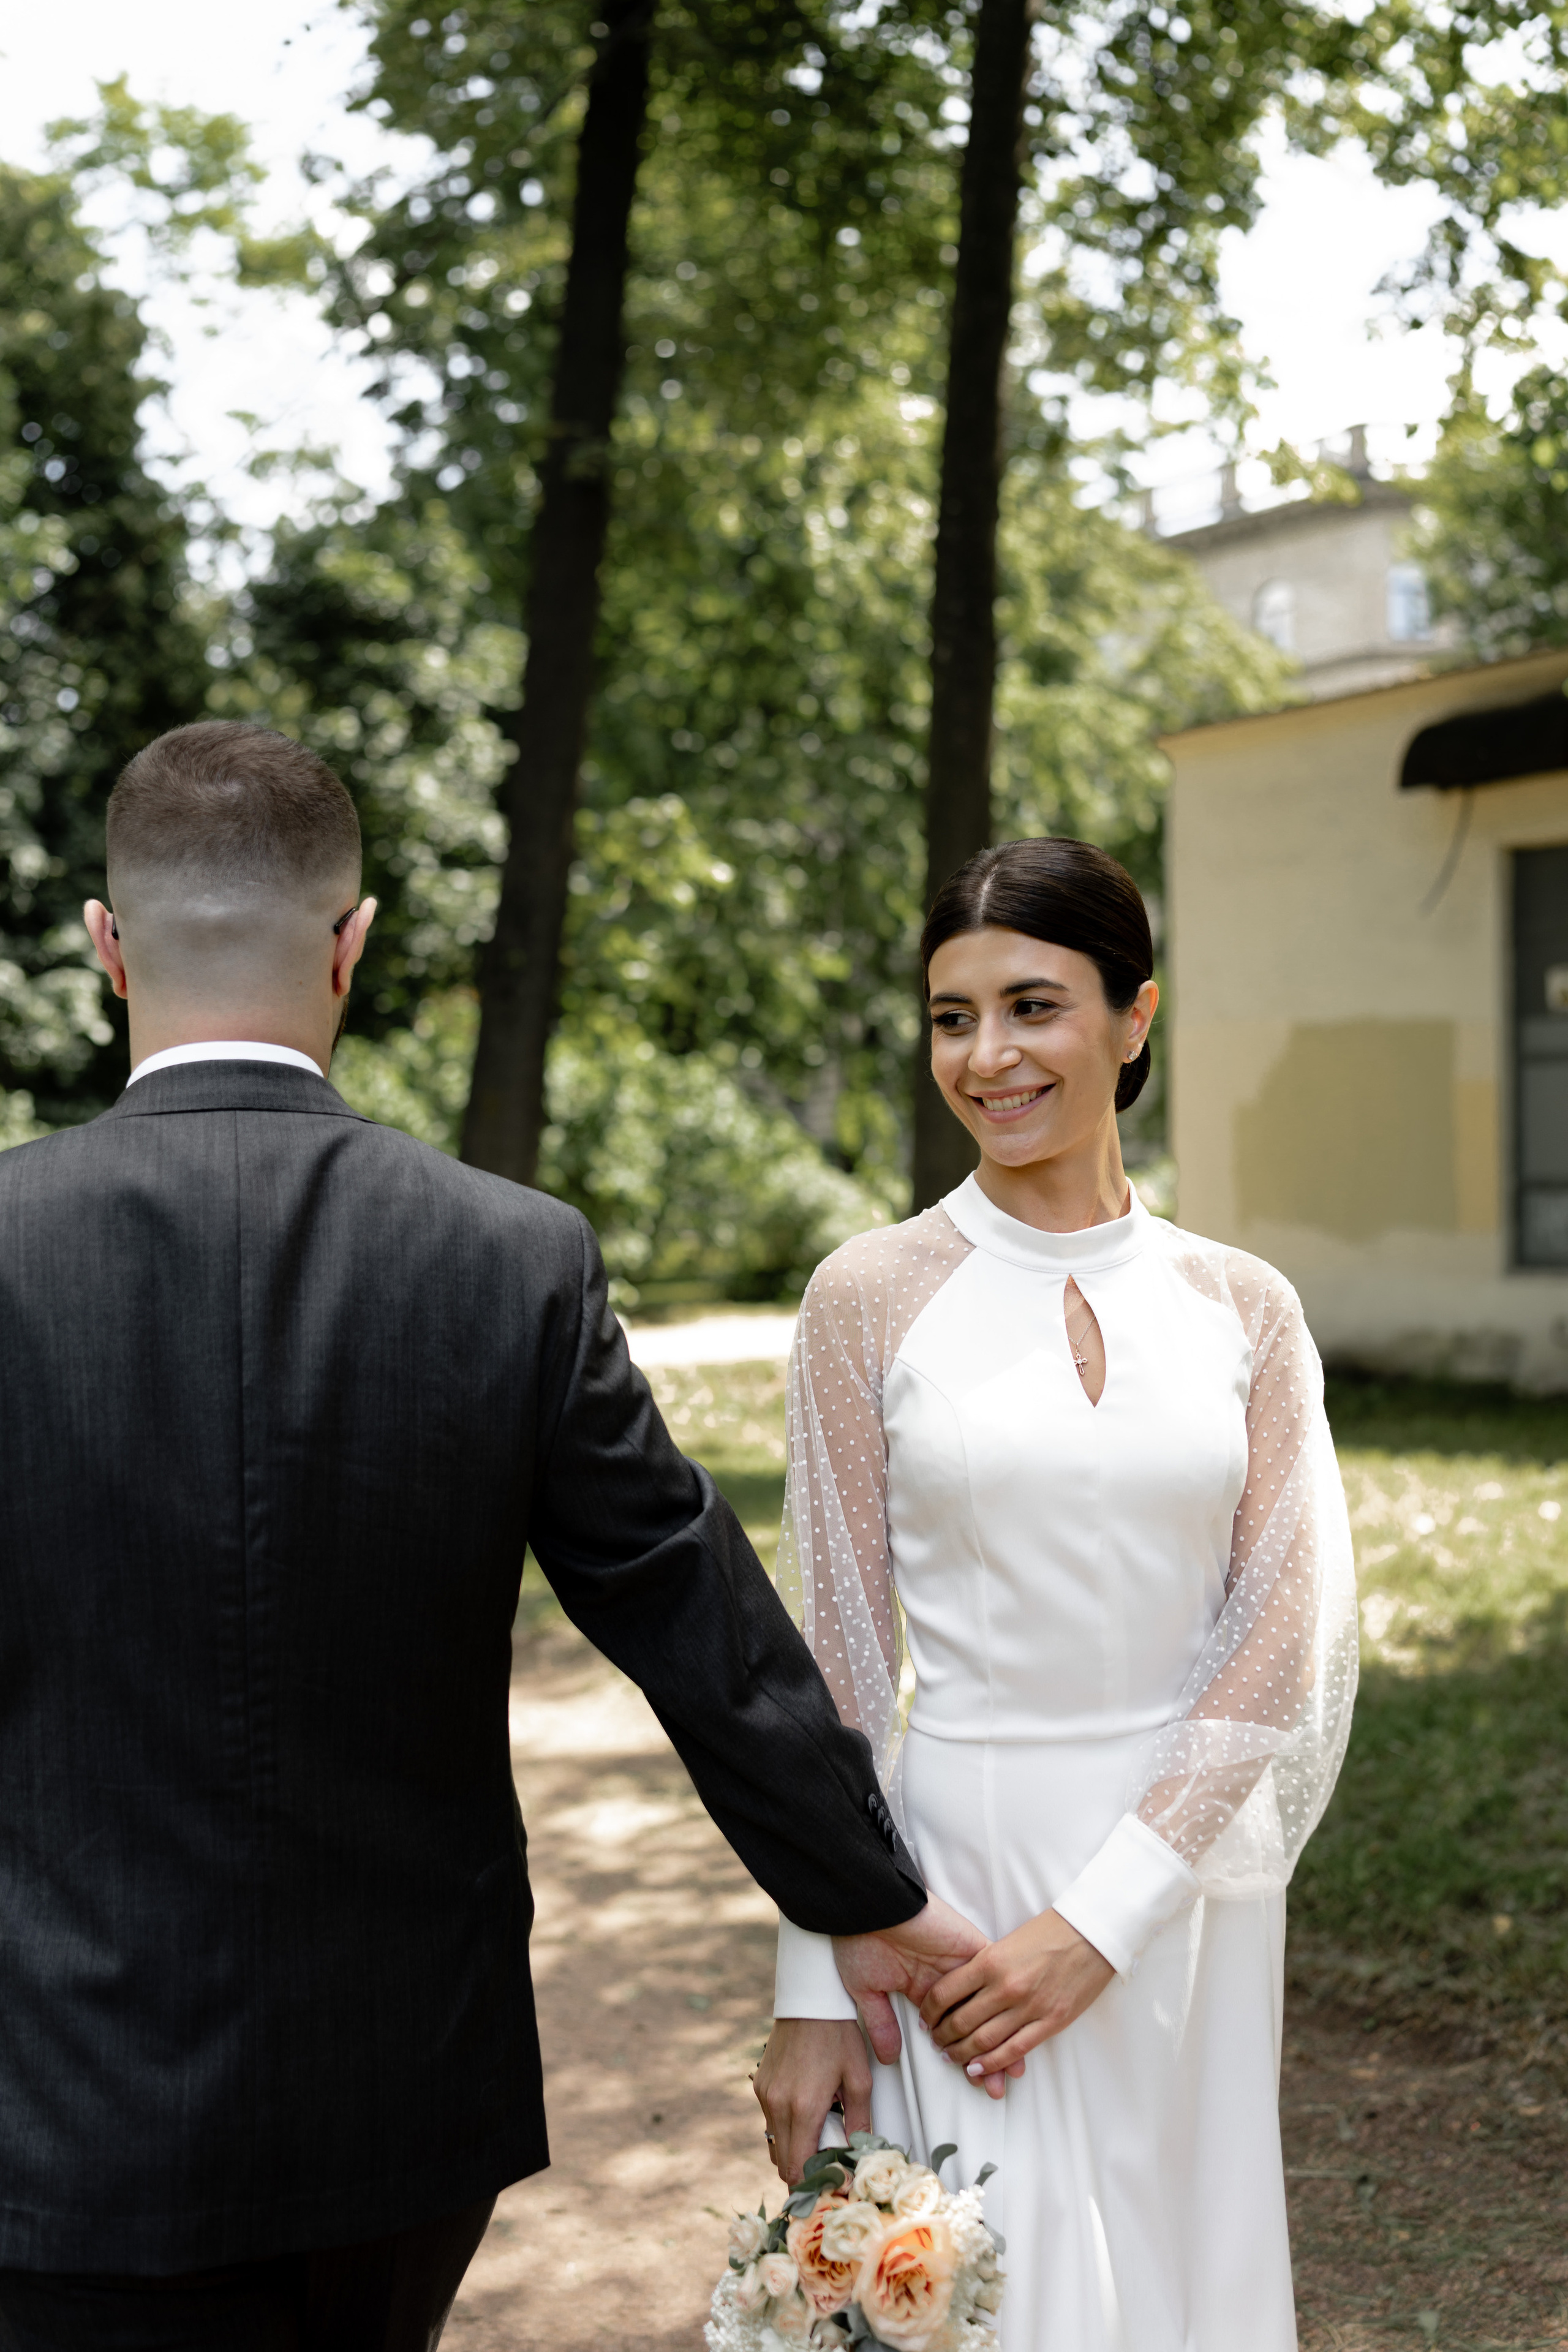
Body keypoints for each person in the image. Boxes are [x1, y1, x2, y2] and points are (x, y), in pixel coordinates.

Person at [0, 720, 984, 2352]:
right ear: (355, 944)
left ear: (108, 948)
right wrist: (869, 1891)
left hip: (50, 2094)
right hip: (394, 2109)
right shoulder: (510, 1258)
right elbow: (698, 1618)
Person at [753, 837, 1358, 2351]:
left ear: (1134, 1016)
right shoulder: (866, 1296)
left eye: (1031, 1005)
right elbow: (831, 1658)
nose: (987, 1054)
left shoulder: (1243, 1308)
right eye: (951, 1017)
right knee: (982, 2301)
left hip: (1183, 1896)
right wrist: (812, 1971)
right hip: (944, 1898)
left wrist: (1098, 1922)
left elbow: (1274, 1645)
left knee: (1179, 2280)